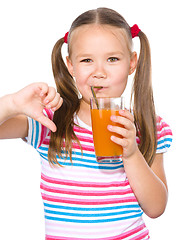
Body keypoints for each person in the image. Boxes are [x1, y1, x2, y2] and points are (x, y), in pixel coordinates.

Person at [0, 7, 172, 240]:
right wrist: (11, 103)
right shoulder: (50, 121)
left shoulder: (148, 126)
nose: (99, 72)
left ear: (132, 63)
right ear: (71, 65)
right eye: (87, 60)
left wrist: (131, 154)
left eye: (112, 59)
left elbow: (156, 208)